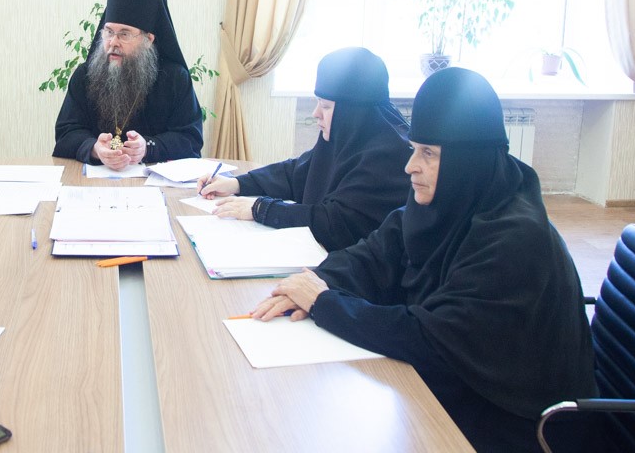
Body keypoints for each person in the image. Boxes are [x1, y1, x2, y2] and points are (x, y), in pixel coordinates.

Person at [249, 68, 597, 452]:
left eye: (428, 153)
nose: (410, 165)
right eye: (415, 148)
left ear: (467, 160)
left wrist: (324, 302)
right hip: (464, 385)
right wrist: (316, 281)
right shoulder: (452, 198)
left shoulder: (516, 240)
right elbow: (377, 253)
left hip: (520, 421)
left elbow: (432, 341)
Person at [198, 47, 412, 251]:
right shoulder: (351, 135)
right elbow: (297, 172)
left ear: (352, 112)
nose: (315, 113)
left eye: (325, 106)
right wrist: (236, 184)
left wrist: (260, 209)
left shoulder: (388, 156)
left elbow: (334, 223)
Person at [53, 0, 204, 169]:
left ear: (148, 40)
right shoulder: (85, 75)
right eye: (109, 32)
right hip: (93, 180)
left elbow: (190, 139)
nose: (113, 42)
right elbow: (66, 134)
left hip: (154, 181)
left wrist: (148, 147)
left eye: (124, 34)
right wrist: (94, 149)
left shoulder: (175, 79)